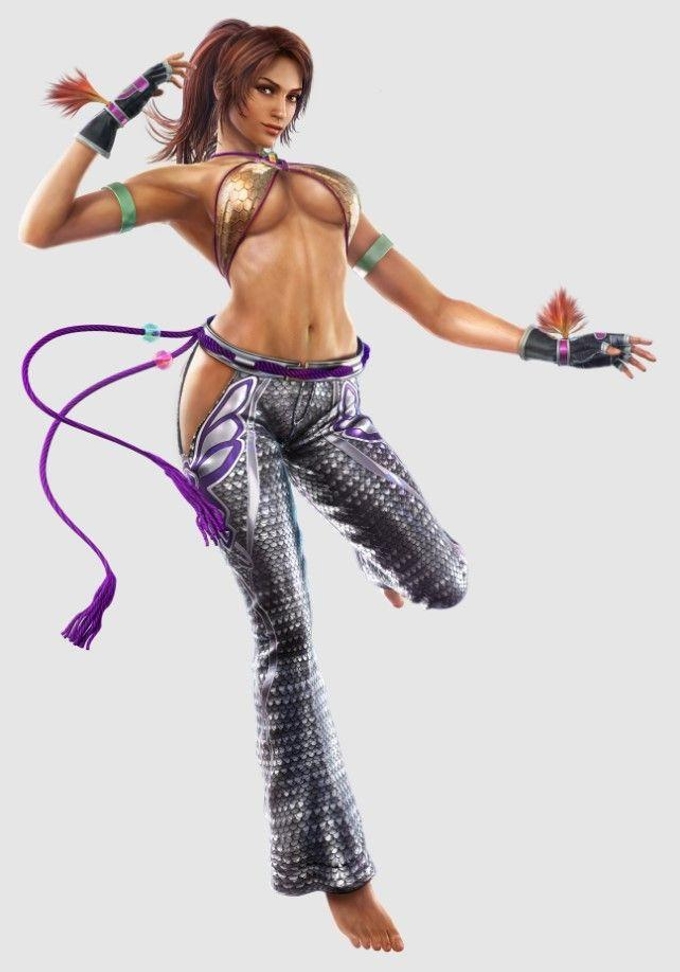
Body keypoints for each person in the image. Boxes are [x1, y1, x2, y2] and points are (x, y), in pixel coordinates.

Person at [19, 18, 656, 954]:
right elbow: (40, 230)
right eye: (264, 89)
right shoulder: (191, 186)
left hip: (333, 406)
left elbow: (433, 307)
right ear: (224, 87)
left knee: (444, 578)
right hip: (231, 406)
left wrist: (553, 350)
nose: (281, 109)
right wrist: (116, 109)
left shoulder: (331, 190)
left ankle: (372, 550)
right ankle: (338, 873)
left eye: (292, 94)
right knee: (287, 636)